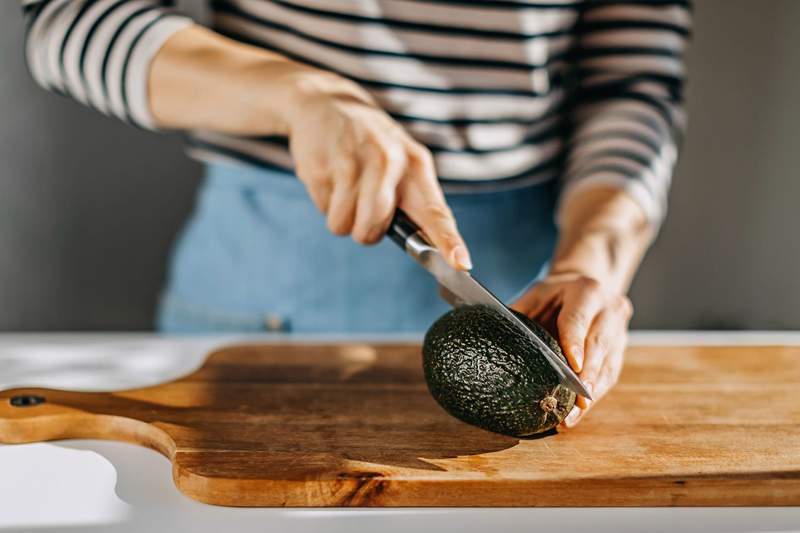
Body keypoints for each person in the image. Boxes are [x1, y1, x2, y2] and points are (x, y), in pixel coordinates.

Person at [21, 0, 689, 427]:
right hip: (270, 273)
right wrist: (299, 96)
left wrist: (593, 258)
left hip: (527, 280)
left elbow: (631, 90)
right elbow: (70, 18)